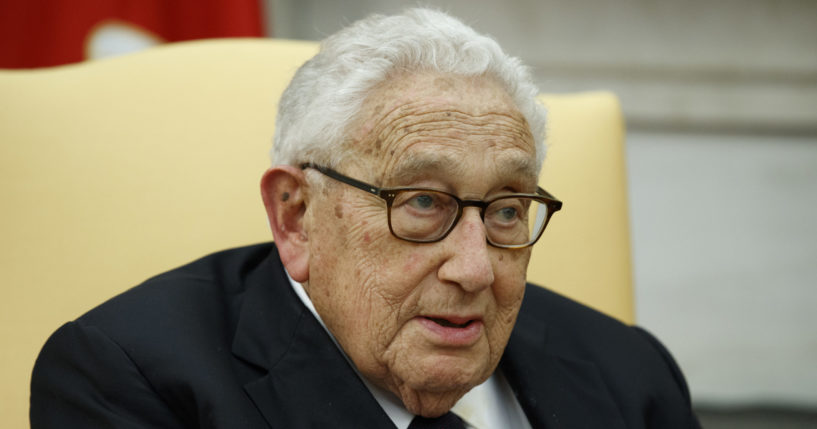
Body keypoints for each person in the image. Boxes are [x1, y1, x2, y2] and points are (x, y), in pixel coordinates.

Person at [30, 8, 700, 429]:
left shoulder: (628, 373)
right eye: (422, 202)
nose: (474, 269)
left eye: (503, 210)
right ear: (295, 217)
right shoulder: (129, 378)